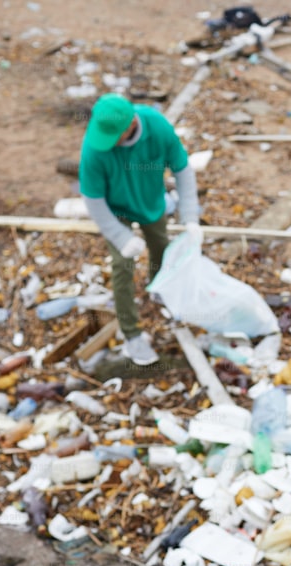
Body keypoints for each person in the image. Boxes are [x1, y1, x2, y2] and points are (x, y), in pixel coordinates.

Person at [79, 93, 200, 366]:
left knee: (161, 247)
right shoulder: (94, 146)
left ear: (131, 123)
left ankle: (158, 287)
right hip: (114, 209)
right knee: (123, 265)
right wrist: (122, 237)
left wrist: (191, 215)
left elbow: (182, 170)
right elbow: (93, 200)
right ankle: (131, 332)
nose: (109, 144)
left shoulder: (157, 127)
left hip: (150, 201)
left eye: (115, 137)